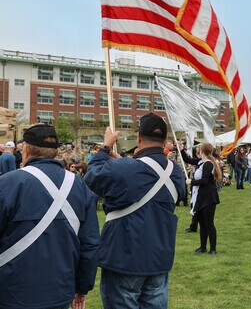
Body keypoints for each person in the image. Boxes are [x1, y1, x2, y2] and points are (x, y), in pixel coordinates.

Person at [84, 113, 186, 309]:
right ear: (165, 140)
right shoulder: (175, 171)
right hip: (159, 257)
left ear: (138, 137)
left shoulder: (124, 167)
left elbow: (92, 176)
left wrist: (105, 147)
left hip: (124, 256)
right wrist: (122, 162)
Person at [0, 124, 99, 309]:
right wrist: (82, 288)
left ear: (26, 150)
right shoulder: (79, 186)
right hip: (59, 292)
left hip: (10, 293)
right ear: (56, 152)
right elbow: (90, 244)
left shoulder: (7, 184)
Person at [188, 143, 221, 254]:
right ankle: (203, 247)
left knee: (209, 223)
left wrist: (191, 182)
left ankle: (213, 249)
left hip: (209, 197)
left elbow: (204, 180)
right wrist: (181, 149)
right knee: (202, 223)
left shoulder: (208, 164)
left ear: (202, 151)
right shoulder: (200, 162)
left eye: (199, 149)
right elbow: (187, 159)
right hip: (201, 196)